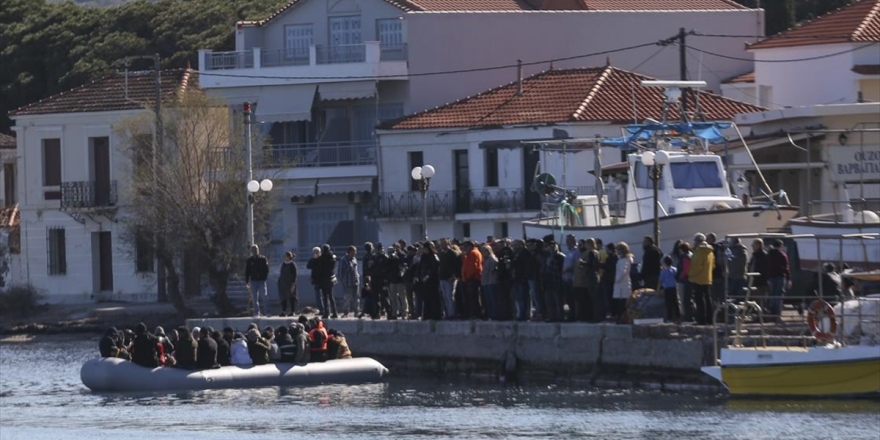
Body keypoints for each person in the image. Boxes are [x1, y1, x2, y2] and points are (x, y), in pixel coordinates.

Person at [689, 233, 716, 326]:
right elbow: (713, 265)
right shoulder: (710, 251)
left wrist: (690, 275)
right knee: (708, 299)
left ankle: (701, 319)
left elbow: (696, 266)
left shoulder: (699, 251)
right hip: (707, 277)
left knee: (699, 299)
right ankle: (710, 319)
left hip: (698, 278)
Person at [541, 239, 565, 322]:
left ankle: (560, 316)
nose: (551, 248)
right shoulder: (546, 257)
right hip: (547, 281)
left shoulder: (560, 256)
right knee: (549, 300)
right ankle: (552, 316)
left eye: (553, 246)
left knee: (558, 300)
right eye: (549, 246)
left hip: (557, 281)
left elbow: (562, 269)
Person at [765, 238, 791, 319]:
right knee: (779, 296)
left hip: (770, 277)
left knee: (771, 295)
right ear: (781, 246)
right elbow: (786, 268)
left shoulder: (769, 254)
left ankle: (772, 313)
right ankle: (777, 314)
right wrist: (789, 279)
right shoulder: (782, 255)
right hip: (780, 277)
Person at [418, 241, 442, 320]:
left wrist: (428, 276)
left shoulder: (434, 256)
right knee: (426, 299)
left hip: (432, 281)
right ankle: (427, 315)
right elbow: (420, 267)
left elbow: (434, 268)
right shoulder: (423, 257)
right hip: (424, 281)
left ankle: (436, 315)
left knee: (434, 298)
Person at [438, 238, 461, 320]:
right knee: (445, 297)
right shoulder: (441, 254)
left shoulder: (452, 253)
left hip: (449, 278)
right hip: (442, 278)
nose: (442, 245)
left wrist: (454, 275)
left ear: (448, 244)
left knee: (450, 296)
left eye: (444, 243)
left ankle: (452, 313)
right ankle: (447, 313)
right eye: (441, 243)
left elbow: (457, 266)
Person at [581, 238, 603, 323]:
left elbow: (592, 264)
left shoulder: (591, 253)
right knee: (596, 297)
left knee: (594, 298)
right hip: (596, 275)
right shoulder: (597, 252)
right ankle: (598, 315)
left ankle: (596, 316)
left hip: (591, 276)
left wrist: (583, 263)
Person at [245, 244, 270, 317]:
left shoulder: (263, 259)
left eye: (256, 250)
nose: (255, 251)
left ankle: (267, 312)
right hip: (253, 281)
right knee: (254, 298)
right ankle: (256, 312)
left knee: (264, 296)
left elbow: (266, 269)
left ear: (258, 250)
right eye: (253, 250)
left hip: (261, 280)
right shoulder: (249, 261)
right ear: (251, 251)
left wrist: (264, 277)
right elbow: (247, 271)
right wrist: (247, 281)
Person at [612, 242, 634, 322]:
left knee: (622, 303)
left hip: (622, 284)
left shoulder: (624, 260)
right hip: (621, 283)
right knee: (621, 302)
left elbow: (622, 272)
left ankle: (623, 318)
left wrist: (616, 280)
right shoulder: (622, 259)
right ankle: (621, 317)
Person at [511, 239, 532, 322]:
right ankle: (519, 313)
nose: (514, 247)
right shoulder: (515, 254)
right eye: (514, 245)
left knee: (523, 297)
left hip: (522, 278)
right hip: (516, 278)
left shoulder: (525, 254)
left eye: (516, 245)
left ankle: (524, 314)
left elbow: (525, 266)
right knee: (517, 297)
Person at [561, 234, 581, 321]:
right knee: (568, 298)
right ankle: (570, 314)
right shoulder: (568, 252)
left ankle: (576, 315)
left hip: (573, 278)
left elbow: (577, 264)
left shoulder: (576, 251)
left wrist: (569, 269)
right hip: (566, 278)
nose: (567, 242)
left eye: (569, 240)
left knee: (574, 298)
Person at [337, 245, 360, 317]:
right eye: (353, 252)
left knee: (356, 298)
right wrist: (343, 280)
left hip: (355, 282)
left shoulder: (354, 259)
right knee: (347, 298)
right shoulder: (343, 260)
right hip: (347, 283)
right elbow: (340, 272)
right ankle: (345, 312)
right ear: (349, 252)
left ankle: (356, 311)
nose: (355, 253)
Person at [480, 244, 500, 320]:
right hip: (485, 281)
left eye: (484, 251)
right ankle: (490, 314)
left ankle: (495, 314)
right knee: (488, 299)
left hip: (491, 281)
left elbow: (493, 269)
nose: (483, 253)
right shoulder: (485, 259)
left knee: (493, 299)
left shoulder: (492, 259)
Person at [676, 242, 694, 322]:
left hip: (684, 281)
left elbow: (686, 270)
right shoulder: (690, 255)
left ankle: (687, 316)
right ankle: (688, 316)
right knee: (687, 299)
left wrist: (679, 277)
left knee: (684, 299)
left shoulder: (684, 257)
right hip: (688, 280)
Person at [660, 255, 680, 323]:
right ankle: (678, 317)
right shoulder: (675, 269)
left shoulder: (664, 271)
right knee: (675, 303)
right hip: (674, 288)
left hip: (667, 288)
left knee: (668, 304)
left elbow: (661, 279)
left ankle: (669, 318)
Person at [277, 251, 298, 317]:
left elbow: (294, 275)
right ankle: (284, 311)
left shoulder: (292, 264)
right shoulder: (283, 264)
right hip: (283, 284)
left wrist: (293, 284)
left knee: (292, 297)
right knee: (283, 298)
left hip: (290, 284)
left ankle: (292, 311)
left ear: (289, 257)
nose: (284, 257)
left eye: (286, 256)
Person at [307, 247, 324, 316]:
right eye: (314, 252)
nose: (315, 254)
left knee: (324, 296)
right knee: (318, 296)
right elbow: (308, 266)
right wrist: (313, 259)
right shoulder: (313, 260)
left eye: (316, 252)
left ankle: (325, 309)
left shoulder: (322, 259)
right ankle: (321, 309)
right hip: (316, 281)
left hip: (323, 280)